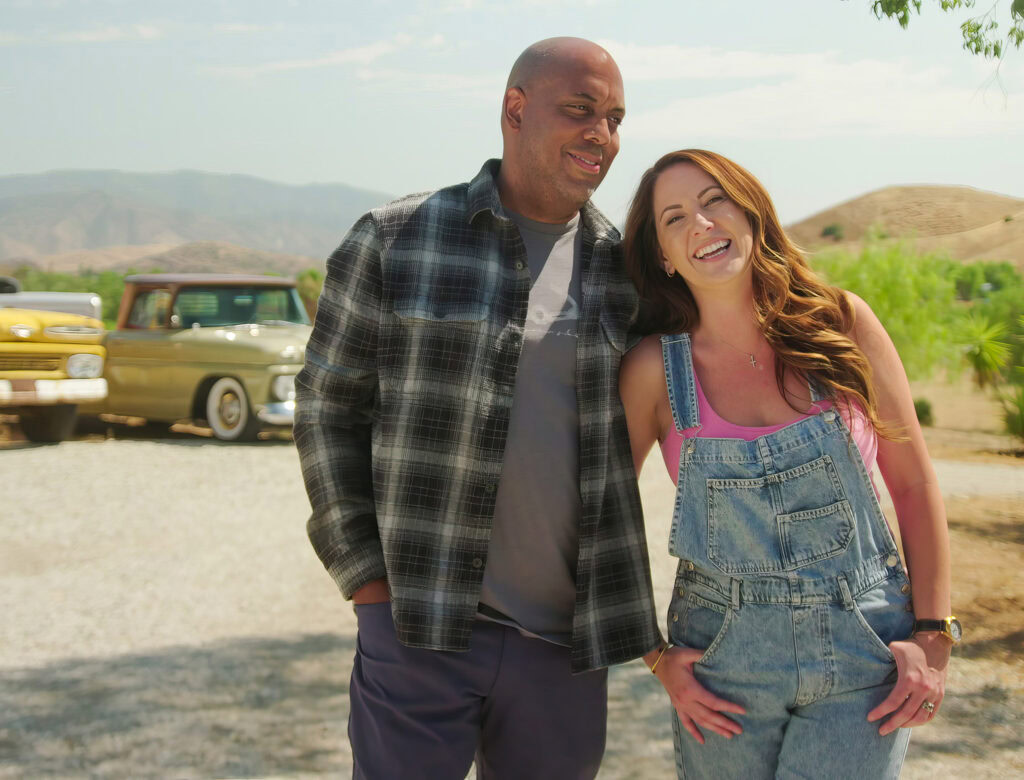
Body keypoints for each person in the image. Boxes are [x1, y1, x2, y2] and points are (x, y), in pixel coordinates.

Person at [294, 37, 662, 779]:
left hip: (565, 647)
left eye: (616, 118)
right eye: (582, 111)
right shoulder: (395, 240)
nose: (604, 136)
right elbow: (326, 409)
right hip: (418, 627)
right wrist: (367, 582)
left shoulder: (625, 275)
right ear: (515, 109)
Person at [619, 149, 956, 778]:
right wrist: (654, 655)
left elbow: (913, 486)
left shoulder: (842, 325)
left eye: (714, 199)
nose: (701, 223)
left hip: (865, 645)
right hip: (722, 662)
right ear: (664, 254)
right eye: (675, 217)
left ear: (750, 211)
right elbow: (603, 516)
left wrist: (935, 637)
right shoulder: (651, 373)